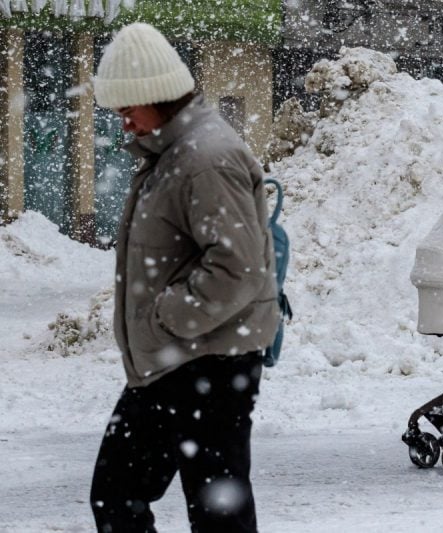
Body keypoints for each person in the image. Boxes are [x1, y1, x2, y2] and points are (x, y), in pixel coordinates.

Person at [89, 23, 280, 532]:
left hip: (209, 362)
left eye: (128, 108)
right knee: (117, 496)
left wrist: (168, 317)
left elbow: (239, 266)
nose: (123, 122)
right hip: (173, 362)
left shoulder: (205, 159)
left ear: (157, 96)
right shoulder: (171, 155)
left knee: (216, 512)